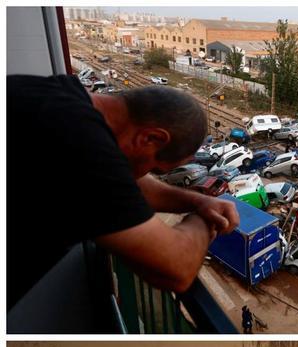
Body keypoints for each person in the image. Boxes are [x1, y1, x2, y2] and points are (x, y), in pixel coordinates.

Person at [6, 80, 241, 309]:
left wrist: (199, 200)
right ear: (150, 138)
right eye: (154, 169)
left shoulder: (60, 96)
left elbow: (123, 183)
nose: (147, 174)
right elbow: (176, 269)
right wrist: (204, 218)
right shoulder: (82, 145)